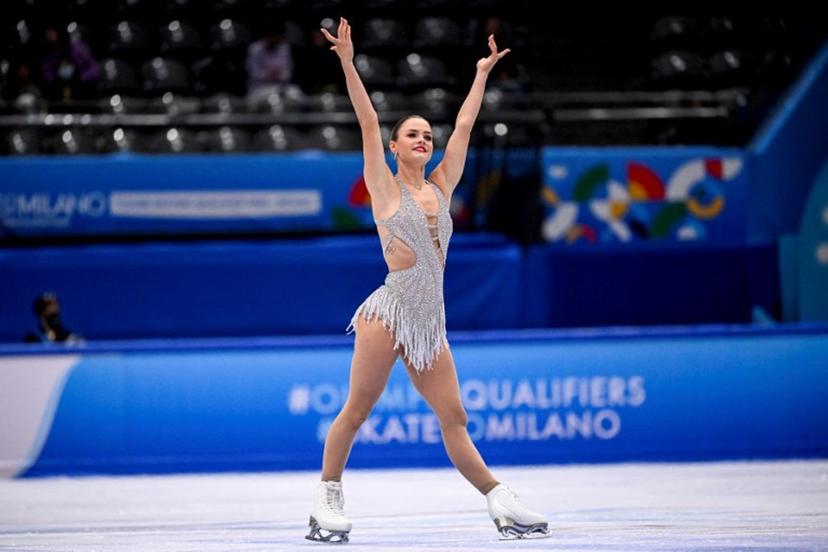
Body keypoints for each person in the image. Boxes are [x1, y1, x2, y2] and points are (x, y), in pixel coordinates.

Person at [305, 18, 549, 543]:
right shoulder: (384, 190)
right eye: (412, 134)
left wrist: (481, 74)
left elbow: (464, 126)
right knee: (357, 409)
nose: (423, 139)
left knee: (454, 416)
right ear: (395, 148)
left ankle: (500, 500)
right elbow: (368, 123)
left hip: (429, 322)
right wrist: (348, 61)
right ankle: (326, 498)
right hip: (388, 313)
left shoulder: (441, 185)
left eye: (426, 135)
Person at [40, 25, 100, 101]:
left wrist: (81, 77)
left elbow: (94, 70)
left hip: (80, 88)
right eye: (47, 34)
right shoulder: (49, 51)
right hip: (58, 90)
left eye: (51, 33)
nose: (49, 36)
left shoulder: (78, 48)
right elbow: (46, 71)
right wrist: (54, 80)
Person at [245, 21, 297, 107]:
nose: (277, 39)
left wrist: (278, 74)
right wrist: (270, 73)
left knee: (296, 95)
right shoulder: (255, 49)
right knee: (271, 100)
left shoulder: (284, 49)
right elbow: (254, 74)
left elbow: (287, 74)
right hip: (259, 88)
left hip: (280, 87)